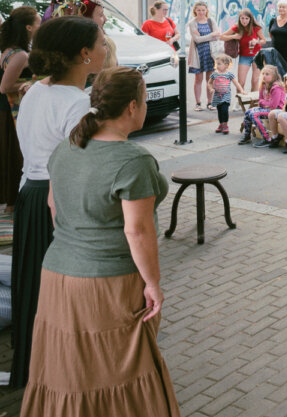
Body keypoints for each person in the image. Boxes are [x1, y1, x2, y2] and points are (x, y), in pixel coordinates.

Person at [21, 67, 178, 416]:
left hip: (58, 274)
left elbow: (52, 205)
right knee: (121, 367)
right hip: (108, 282)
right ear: (132, 107)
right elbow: (137, 231)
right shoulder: (132, 159)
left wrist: (75, 244)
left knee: (70, 371)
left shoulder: (67, 147)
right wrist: (153, 283)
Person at [11, 16, 106, 388]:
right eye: (101, 42)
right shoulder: (78, 104)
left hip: (30, 196)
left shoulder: (35, 91)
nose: (104, 48)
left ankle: (39, 369)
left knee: (36, 290)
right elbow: (86, 170)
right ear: (84, 54)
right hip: (58, 203)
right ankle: (65, 375)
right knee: (65, 297)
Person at [0, 7, 38, 209]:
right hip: (11, 112)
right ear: (29, 27)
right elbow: (5, 86)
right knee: (16, 157)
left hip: (8, 111)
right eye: (39, 23)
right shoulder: (20, 55)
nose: (40, 26)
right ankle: (13, 205)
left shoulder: (9, 50)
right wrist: (30, 85)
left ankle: (11, 204)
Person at [185, 1, 220, 111]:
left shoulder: (211, 21)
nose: (201, 12)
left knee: (210, 80)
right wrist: (211, 35)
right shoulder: (192, 23)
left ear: (207, 11)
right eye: (199, 10)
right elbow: (197, 40)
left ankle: (210, 102)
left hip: (210, 54)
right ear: (195, 10)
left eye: (203, 10)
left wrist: (206, 37)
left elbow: (217, 35)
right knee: (198, 79)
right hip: (198, 54)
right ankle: (198, 103)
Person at [238, 65, 286, 145]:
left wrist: (263, 102)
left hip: (276, 111)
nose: (264, 76)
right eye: (263, 73)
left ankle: (267, 138)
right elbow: (260, 100)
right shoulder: (263, 85)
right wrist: (264, 103)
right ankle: (247, 136)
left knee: (254, 114)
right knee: (248, 112)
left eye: (267, 74)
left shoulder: (276, 88)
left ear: (274, 76)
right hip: (267, 109)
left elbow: (273, 105)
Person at [220, 8, 263, 93]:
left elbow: (263, 40)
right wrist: (233, 36)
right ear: (239, 19)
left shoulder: (256, 27)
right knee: (241, 82)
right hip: (244, 56)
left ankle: (253, 102)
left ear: (250, 19)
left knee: (255, 81)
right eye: (242, 18)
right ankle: (239, 102)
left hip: (257, 55)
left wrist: (257, 41)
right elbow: (221, 37)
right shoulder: (237, 27)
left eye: (246, 18)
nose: (244, 21)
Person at [208, 53, 237, 134]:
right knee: (219, 110)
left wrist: (241, 90)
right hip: (217, 96)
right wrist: (210, 89)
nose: (217, 65)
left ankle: (225, 125)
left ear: (226, 65)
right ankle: (221, 124)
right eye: (216, 64)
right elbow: (209, 83)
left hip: (226, 95)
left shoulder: (229, 74)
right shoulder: (214, 74)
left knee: (224, 110)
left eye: (219, 64)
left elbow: (236, 83)